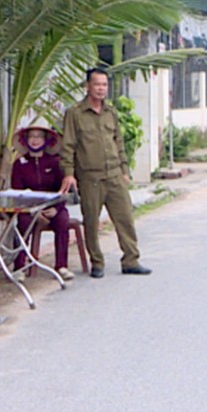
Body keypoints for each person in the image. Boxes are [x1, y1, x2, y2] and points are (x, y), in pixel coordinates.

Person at [59, 68, 151, 277]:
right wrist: (69, 173)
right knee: (91, 221)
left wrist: (125, 170)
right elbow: (68, 146)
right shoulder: (75, 114)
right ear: (88, 86)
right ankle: (97, 262)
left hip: (114, 175)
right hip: (90, 177)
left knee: (125, 218)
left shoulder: (111, 113)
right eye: (97, 84)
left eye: (104, 85)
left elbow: (118, 143)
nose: (101, 89)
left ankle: (131, 259)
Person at [10, 124, 74, 281]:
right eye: (32, 136)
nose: (35, 140)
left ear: (46, 140)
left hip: (53, 207)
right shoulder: (19, 164)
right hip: (29, 209)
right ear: (26, 140)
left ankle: (61, 266)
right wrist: (34, 211)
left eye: (39, 136)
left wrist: (56, 208)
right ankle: (19, 267)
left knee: (63, 220)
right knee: (22, 223)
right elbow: (18, 192)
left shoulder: (55, 162)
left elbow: (62, 191)